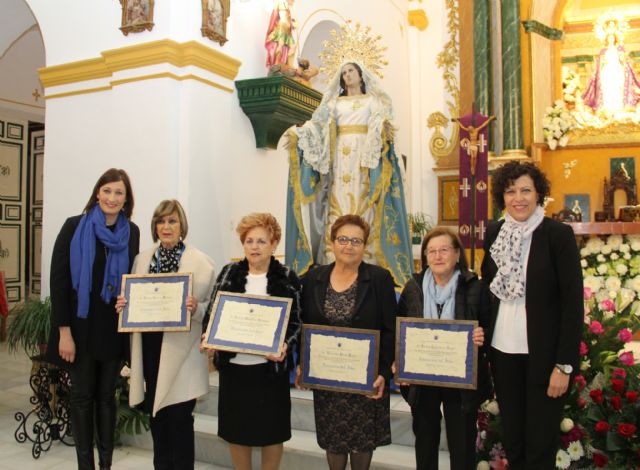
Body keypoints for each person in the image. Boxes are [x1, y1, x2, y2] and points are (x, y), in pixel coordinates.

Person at [481, 161, 583, 469]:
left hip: (544, 357)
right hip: (503, 352)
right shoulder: (495, 233)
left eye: (526, 190)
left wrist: (564, 366)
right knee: (514, 440)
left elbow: (572, 304)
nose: (518, 198)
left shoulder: (557, 235)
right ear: (502, 197)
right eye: (510, 191)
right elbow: (488, 291)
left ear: (539, 194)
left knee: (540, 446)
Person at [286, 61, 412, 288]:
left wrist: (383, 128)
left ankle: (368, 263)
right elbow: (318, 126)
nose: (347, 75)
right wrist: (300, 133)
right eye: (343, 72)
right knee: (337, 205)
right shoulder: (333, 103)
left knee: (366, 206)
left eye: (351, 71)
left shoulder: (374, 100)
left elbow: (385, 122)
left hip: (365, 158)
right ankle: (333, 263)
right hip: (339, 160)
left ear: (361, 75)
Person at [47, 168, 140, 470]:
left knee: (107, 398)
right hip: (79, 330)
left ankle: (106, 465)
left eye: (119, 193)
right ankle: (85, 466)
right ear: (97, 192)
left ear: (126, 200)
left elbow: (134, 280)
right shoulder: (74, 227)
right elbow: (59, 283)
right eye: (108, 190)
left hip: (113, 330)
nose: (112, 198)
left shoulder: (132, 232)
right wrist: (64, 332)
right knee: (82, 398)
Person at [115, 199, 215, 470]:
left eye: (172, 220)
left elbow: (213, 311)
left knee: (181, 419)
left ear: (182, 225)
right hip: (150, 347)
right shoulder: (142, 259)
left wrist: (197, 307)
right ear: (154, 226)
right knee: (157, 417)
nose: (166, 226)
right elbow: (135, 298)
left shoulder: (202, 262)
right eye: (161, 221)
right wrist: (125, 306)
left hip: (183, 353)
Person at [201, 213, 301, 470]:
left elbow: (297, 323)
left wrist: (285, 345)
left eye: (261, 241)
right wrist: (208, 336)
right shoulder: (229, 271)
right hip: (235, 369)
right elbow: (213, 313)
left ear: (274, 243)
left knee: (272, 432)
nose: (254, 247)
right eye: (249, 241)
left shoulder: (288, 277)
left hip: (270, 371)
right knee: (237, 431)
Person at [296, 214, 396, 470]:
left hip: (364, 378)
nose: (349, 246)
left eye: (356, 240)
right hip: (328, 378)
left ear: (365, 246)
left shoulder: (379, 279)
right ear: (332, 242)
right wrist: (302, 365)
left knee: (362, 443)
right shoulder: (313, 279)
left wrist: (384, 372)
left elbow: (389, 329)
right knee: (333, 440)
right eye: (343, 239)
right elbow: (303, 325)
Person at [397, 227, 492, 470]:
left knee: (461, 447)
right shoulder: (413, 288)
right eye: (432, 251)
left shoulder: (475, 287)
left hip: (460, 382)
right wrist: (399, 361)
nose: (438, 256)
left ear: (457, 254)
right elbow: (401, 329)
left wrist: (482, 335)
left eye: (444, 250)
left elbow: (490, 328)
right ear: (425, 256)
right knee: (425, 444)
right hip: (423, 379)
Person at [582, 17, 640, 114]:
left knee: (618, 87)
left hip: (617, 70)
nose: (611, 39)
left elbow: (624, 62)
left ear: (615, 38)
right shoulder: (603, 51)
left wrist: (622, 58)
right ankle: (607, 110)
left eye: (612, 37)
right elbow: (600, 64)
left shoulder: (620, 49)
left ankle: (619, 109)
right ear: (606, 39)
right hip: (607, 71)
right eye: (609, 37)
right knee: (607, 87)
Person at [265, 0, 296, 68]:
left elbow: (287, 19)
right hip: (282, 28)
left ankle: (288, 65)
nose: (294, 1)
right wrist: (290, 23)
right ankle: (276, 64)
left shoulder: (287, 6)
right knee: (280, 45)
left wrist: (292, 24)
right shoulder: (282, 3)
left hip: (287, 30)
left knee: (293, 46)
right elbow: (283, 17)